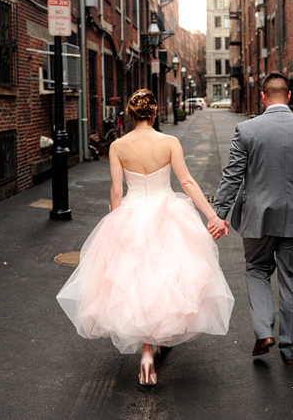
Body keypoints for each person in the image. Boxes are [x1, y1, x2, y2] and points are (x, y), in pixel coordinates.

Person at [56, 89, 234, 386]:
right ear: (153, 114)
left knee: (136, 281)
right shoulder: (169, 142)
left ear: (130, 115)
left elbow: (115, 192)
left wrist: (116, 224)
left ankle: (147, 351)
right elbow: (187, 181)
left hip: (132, 213)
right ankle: (157, 340)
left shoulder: (117, 146)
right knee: (164, 278)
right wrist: (212, 216)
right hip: (168, 212)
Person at [211, 72, 293, 365]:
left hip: (258, 220)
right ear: (289, 96)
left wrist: (219, 215)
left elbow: (232, 176)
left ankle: (264, 331)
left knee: (256, 270)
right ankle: (290, 351)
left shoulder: (247, 130)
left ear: (263, 96)